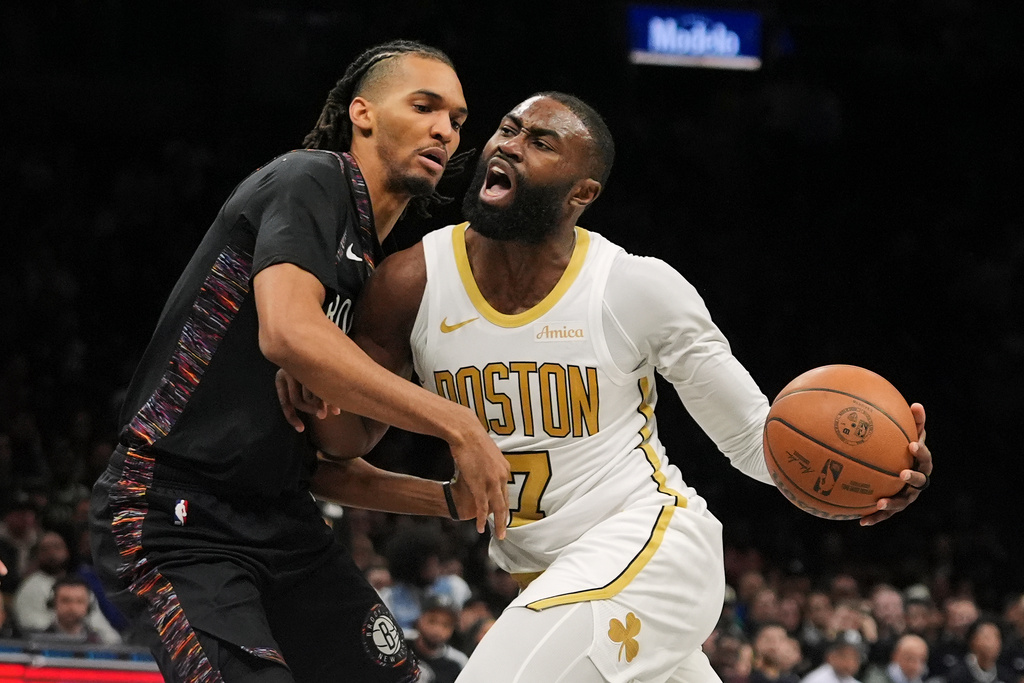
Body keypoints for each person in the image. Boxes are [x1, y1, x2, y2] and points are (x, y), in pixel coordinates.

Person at [279, 92, 933, 682]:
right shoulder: (412, 281)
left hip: (648, 548)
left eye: (540, 141)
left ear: (581, 192)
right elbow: (343, 441)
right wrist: (319, 385)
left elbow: (754, 440)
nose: (508, 143)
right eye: (507, 129)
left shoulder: (635, 287)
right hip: (553, 577)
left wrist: (860, 486)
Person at [89, 40, 511, 683]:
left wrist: (458, 500)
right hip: (173, 515)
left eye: (456, 120)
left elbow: (329, 470)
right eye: (424, 106)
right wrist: (460, 425)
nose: (444, 130)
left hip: (279, 520)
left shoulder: (363, 265)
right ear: (362, 113)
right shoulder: (312, 177)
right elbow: (287, 333)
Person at [411, 594, 468, 683]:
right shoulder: (399, 644)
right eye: (432, 621)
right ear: (420, 618)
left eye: (446, 625)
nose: (437, 630)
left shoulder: (458, 662)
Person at [944, 618, 1015, 683]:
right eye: (987, 638)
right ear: (972, 642)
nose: (992, 643)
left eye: (996, 637)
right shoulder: (958, 674)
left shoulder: (1005, 675)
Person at [41, 576, 103, 644]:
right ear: (53, 603)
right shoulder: (39, 643)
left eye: (79, 601)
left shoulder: (97, 642)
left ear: (89, 606)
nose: (72, 607)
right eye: (65, 600)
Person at [801, 630, 867, 683]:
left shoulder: (850, 680)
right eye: (844, 656)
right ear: (830, 656)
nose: (850, 662)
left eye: (855, 657)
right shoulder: (816, 680)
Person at [862, 634, 929, 683]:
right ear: (895, 656)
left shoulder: (919, 680)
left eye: (922, 660)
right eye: (910, 659)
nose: (916, 666)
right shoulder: (876, 678)